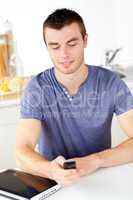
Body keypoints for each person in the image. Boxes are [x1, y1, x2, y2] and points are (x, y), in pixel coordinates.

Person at [15, 8, 133, 186]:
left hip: (101, 177)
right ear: (47, 46)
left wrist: (96, 160)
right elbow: (21, 150)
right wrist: (49, 169)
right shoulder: (37, 89)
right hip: (54, 182)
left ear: (85, 40)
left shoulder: (111, 83)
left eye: (71, 44)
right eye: (55, 46)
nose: (64, 54)